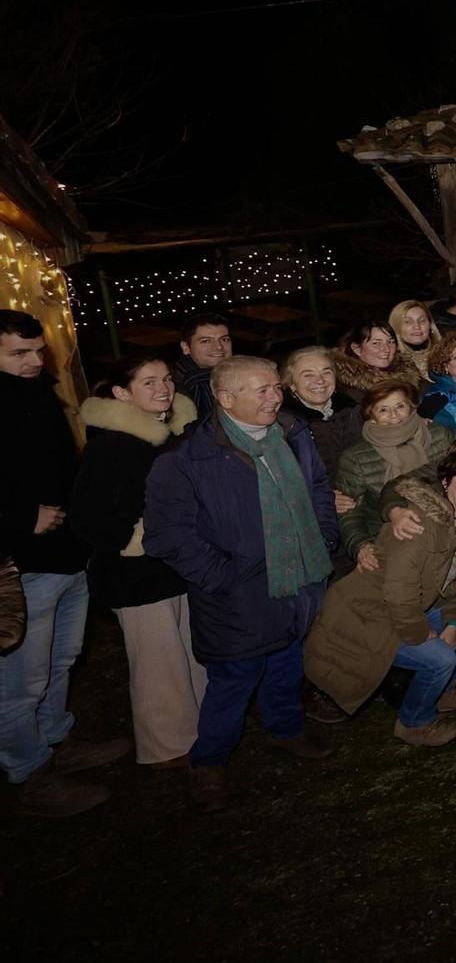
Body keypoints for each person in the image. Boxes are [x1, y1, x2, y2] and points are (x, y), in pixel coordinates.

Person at [145, 355, 340, 812]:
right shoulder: (186, 459)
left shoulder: (293, 433)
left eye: (276, 387)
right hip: (237, 594)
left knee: (287, 662)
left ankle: (286, 729)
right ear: (225, 398)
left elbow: (317, 487)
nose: (275, 397)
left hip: (298, 579)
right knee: (235, 679)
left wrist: (324, 534)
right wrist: (223, 575)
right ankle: (208, 762)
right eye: (262, 390)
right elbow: (168, 535)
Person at [3, 310, 123, 817]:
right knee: (19, 681)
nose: (34, 362)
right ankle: (28, 772)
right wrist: (18, 519)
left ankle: (55, 739)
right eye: (18, 354)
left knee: (61, 661)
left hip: (68, 554)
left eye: (37, 352)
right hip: (20, 563)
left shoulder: (39, 393)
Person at [302, 447, 456, 747]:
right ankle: (414, 722)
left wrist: (453, 624)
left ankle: (444, 693)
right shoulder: (418, 523)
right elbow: (398, 591)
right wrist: (421, 633)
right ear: (445, 482)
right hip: (371, 613)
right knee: (441, 658)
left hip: (412, 604)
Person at [69, 356, 202, 772]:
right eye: (149, 383)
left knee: (190, 650)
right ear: (122, 394)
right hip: (136, 573)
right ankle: (166, 745)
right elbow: (89, 515)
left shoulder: (170, 435)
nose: (163, 388)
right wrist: (138, 539)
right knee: (157, 661)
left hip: (175, 563)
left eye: (166, 379)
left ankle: (200, 728)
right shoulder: (113, 445)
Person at [334, 382, 454, 571]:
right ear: (371, 416)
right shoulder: (356, 457)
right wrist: (361, 546)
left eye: (400, 406)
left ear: (412, 407)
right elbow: (349, 512)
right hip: (387, 540)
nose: (394, 416)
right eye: (383, 410)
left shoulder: (439, 435)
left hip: (444, 530)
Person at [281, 345, 361, 473]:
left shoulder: (354, 409)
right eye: (308, 375)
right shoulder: (285, 425)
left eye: (326, 372)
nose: (320, 381)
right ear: (291, 384)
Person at [173, 311, 233, 420]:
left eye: (224, 339)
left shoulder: (243, 373)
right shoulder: (175, 388)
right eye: (206, 341)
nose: (219, 347)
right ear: (185, 347)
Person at [332, 320, 407, 401]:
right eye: (376, 343)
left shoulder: (408, 375)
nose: (386, 349)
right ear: (357, 349)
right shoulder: (345, 391)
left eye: (390, 342)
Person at [388, 299, 439, 382]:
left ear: (430, 324)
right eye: (407, 322)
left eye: (422, 320)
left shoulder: (450, 354)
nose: (417, 326)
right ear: (396, 327)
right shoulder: (390, 364)